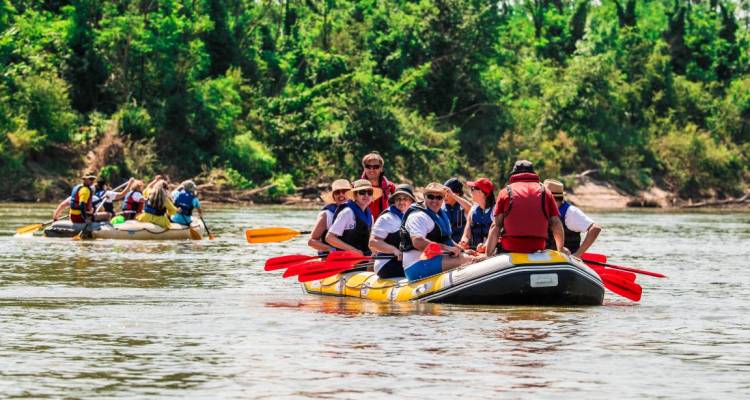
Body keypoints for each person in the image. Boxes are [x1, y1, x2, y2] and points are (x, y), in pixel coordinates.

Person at [400, 183, 480, 282]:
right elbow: (418, 242)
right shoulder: (418, 216)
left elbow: (446, 239)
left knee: (471, 256)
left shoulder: (438, 214)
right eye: (431, 196)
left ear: (443, 199)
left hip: (429, 258)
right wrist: (447, 248)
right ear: (424, 197)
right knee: (468, 260)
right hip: (416, 265)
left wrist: (462, 251)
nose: (435, 200)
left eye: (439, 197)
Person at [484, 160, 563, 255]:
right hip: (537, 248)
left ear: (513, 174)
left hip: (510, 249)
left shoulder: (505, 192)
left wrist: (487, 255)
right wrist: (560, 250)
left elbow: (496, 226)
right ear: (533, 173)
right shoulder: (545, 192)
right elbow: (556, 223)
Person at [544, 179, 602, 257]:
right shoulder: (543, 209)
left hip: (567, 261)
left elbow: (595, 228)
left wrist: (578, 254)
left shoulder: (571, 212)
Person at [368, 184, 416, 279]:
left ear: (411, 201)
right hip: (386, 264)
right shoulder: (386, 218)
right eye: (398, 199)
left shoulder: (414, 217)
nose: (401, 202)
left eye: (405, 198)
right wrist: (394, 250)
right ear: (394, 201)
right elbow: (372, 242)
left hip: (405, 261)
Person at [325, 179, 382, 255]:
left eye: (369, 192)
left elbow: (369, 240)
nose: (366, 195)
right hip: (346, 258)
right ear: (355, 195)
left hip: (363, 258)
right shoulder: (347, 212)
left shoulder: (370, 216)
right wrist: (353, 250)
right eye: (362, 192)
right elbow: (329, 238)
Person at [308, 179, 352, 253]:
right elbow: (311, 242)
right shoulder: (326, 215)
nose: (341, 194)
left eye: (344, 191)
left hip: (351, 256)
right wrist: (330, 249)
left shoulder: (354, 212)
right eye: (337, 192)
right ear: (333, 196)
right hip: (330, 259)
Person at [460, 177, 496, 252]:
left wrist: (485, 246)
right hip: (474, 251)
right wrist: (464, 241)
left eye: (473, 189)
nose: (471, 191)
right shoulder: (473, 210)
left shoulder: (495, 211)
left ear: (482, 193)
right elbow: (466, 234)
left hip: (491, 252)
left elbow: (496, 234)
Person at [360, 152, 396, 220]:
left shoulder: (390, 187)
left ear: (381, 169)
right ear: (364, 168)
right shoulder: (355, 187)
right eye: (368, 166)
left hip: (384, 226)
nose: (371, 170)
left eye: (375, 167)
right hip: (362, 227)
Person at [442, 177, 472, 244]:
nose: (444, 196)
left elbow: (471, 209)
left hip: (462, 244)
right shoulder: (441, 207)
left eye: (447, 193)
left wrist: (453, 195)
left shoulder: (463, 207)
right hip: (446, 246)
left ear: (457, 194)